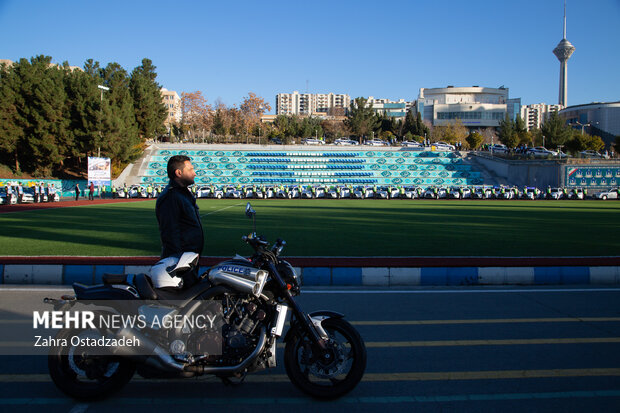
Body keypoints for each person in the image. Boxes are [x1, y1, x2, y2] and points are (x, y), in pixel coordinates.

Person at [151, 155, 204, 289]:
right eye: (190, 169)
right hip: (180, 264)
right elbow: (170, 233)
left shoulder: (183, 194)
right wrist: (180, 265)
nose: (195, 173)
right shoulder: (171, 197)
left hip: (188, 260)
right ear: (179, 173)